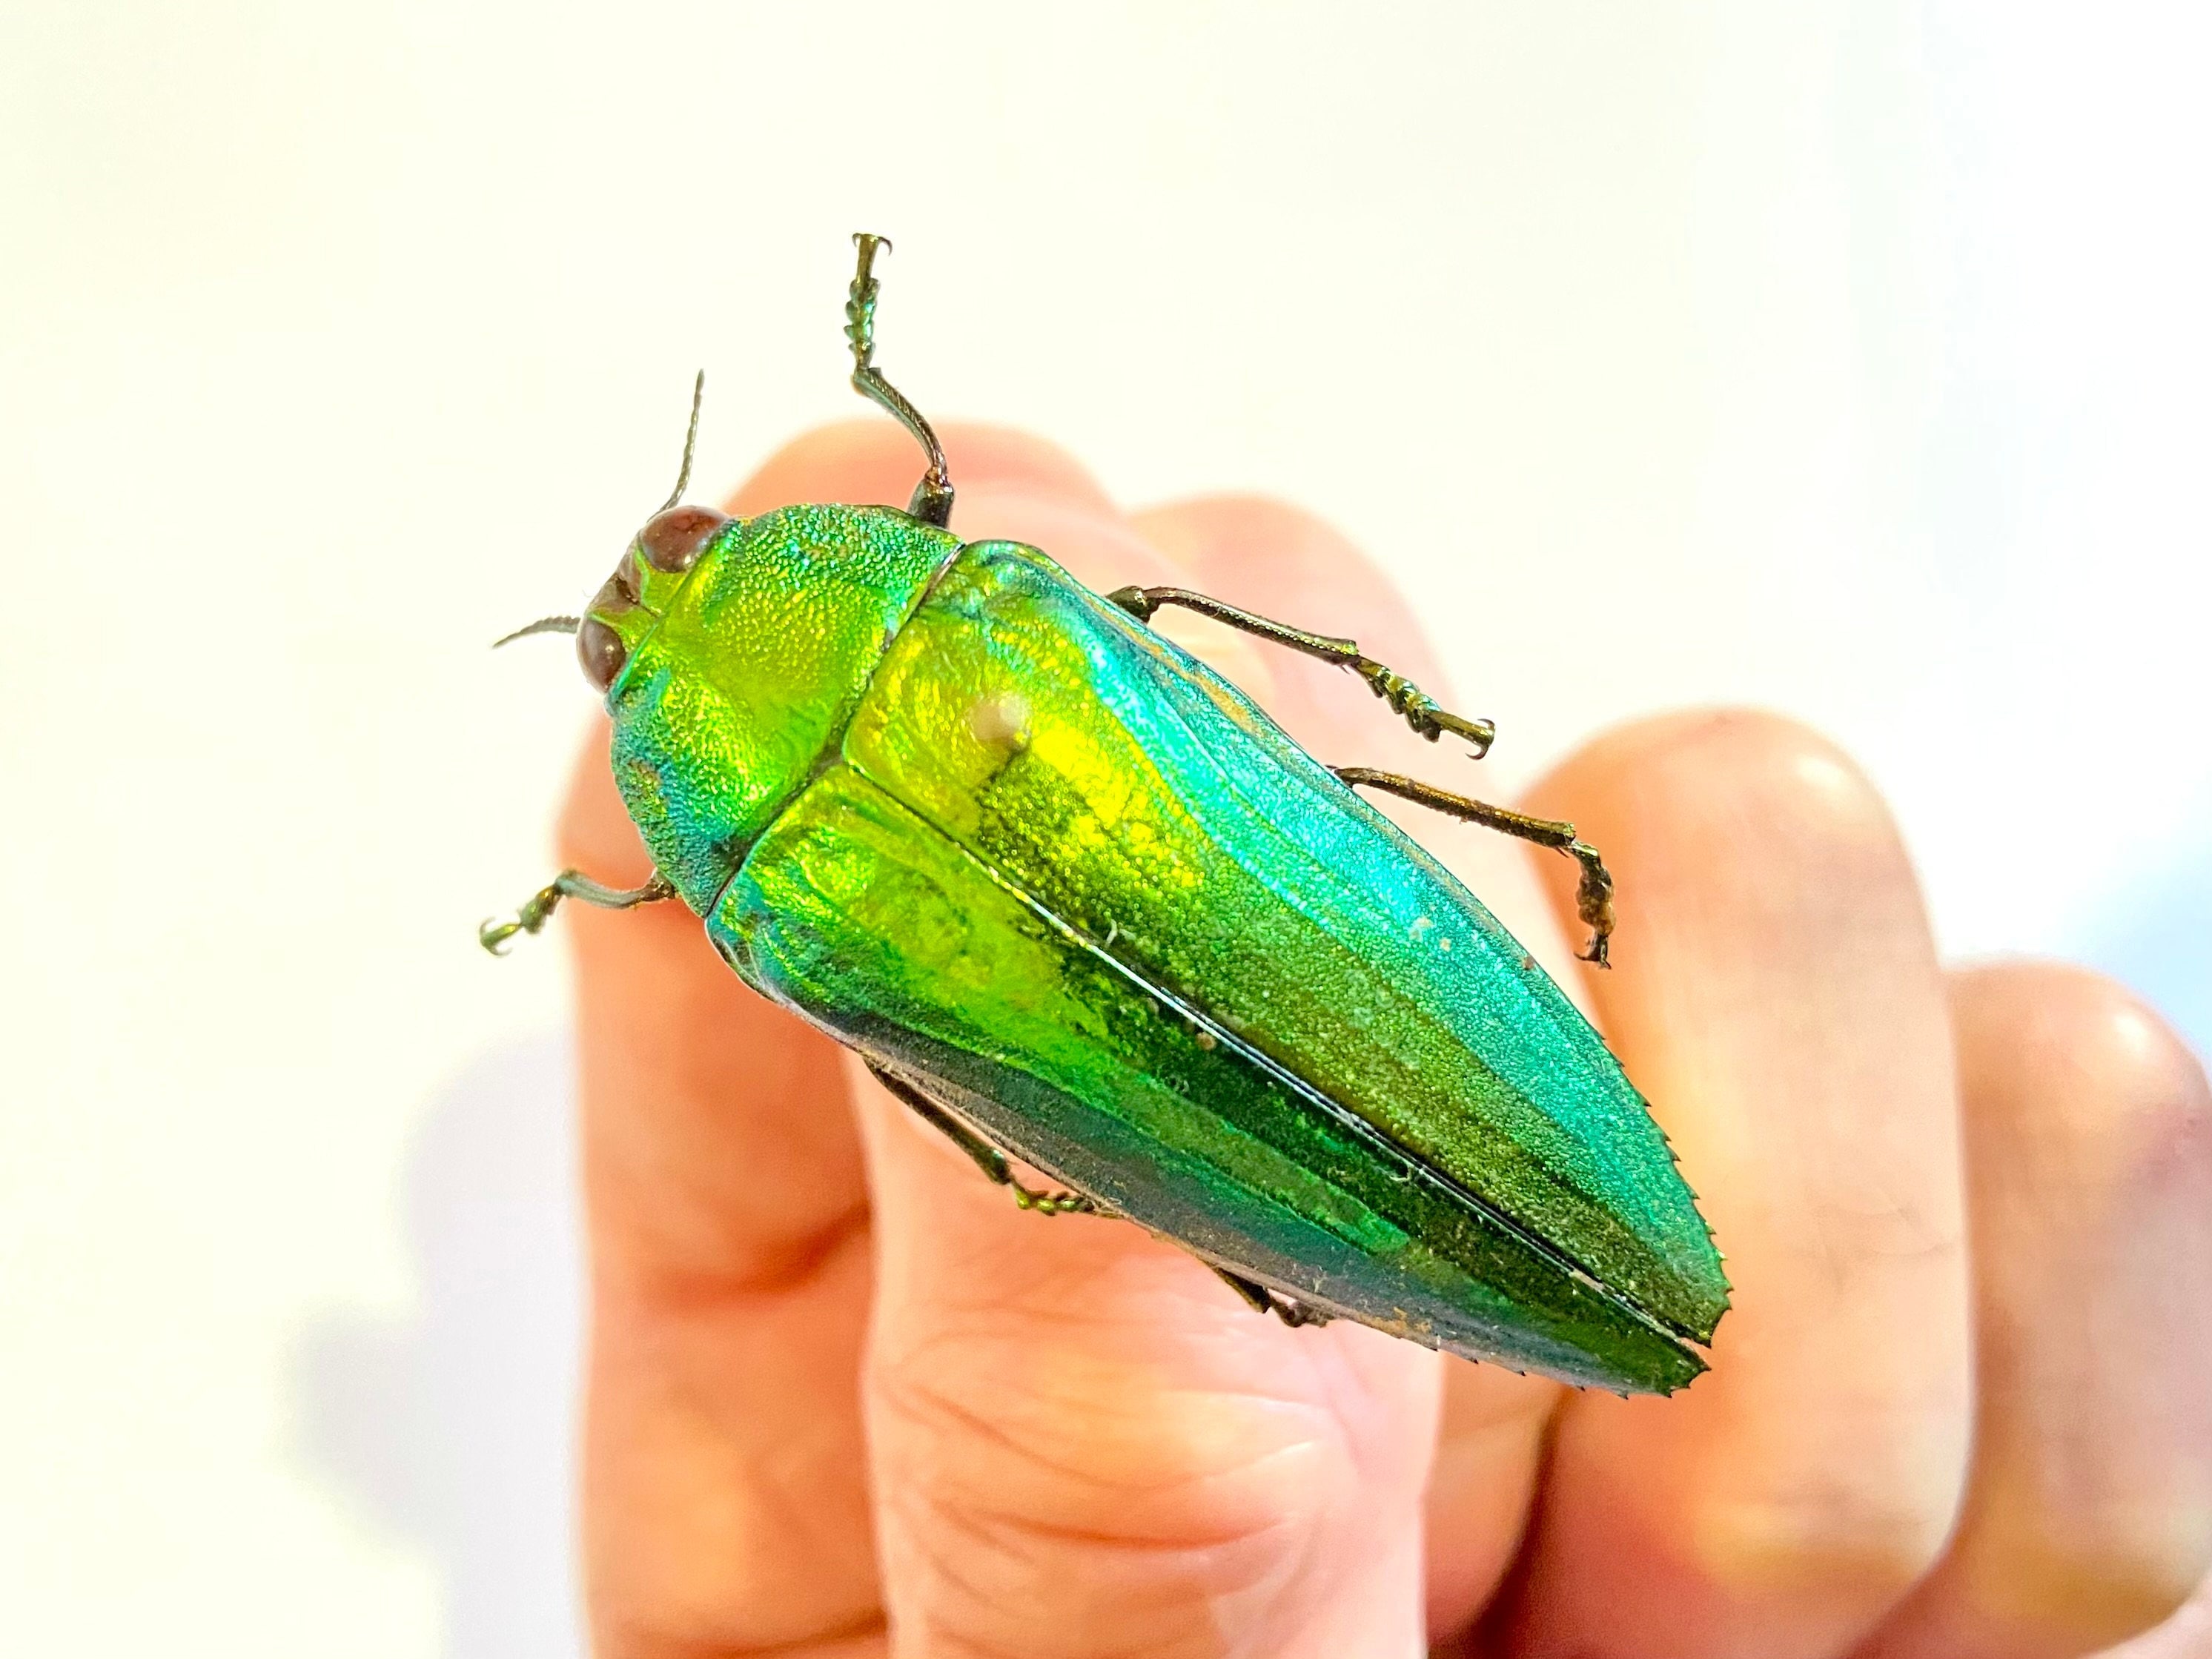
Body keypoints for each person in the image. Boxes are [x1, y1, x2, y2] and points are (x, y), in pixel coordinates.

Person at [554, 420, 2211, 1658]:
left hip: (1289, 1185)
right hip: (1422, 1046)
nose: (648, 581)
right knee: (1297, 768)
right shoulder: (992, 606)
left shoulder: (779, 912)